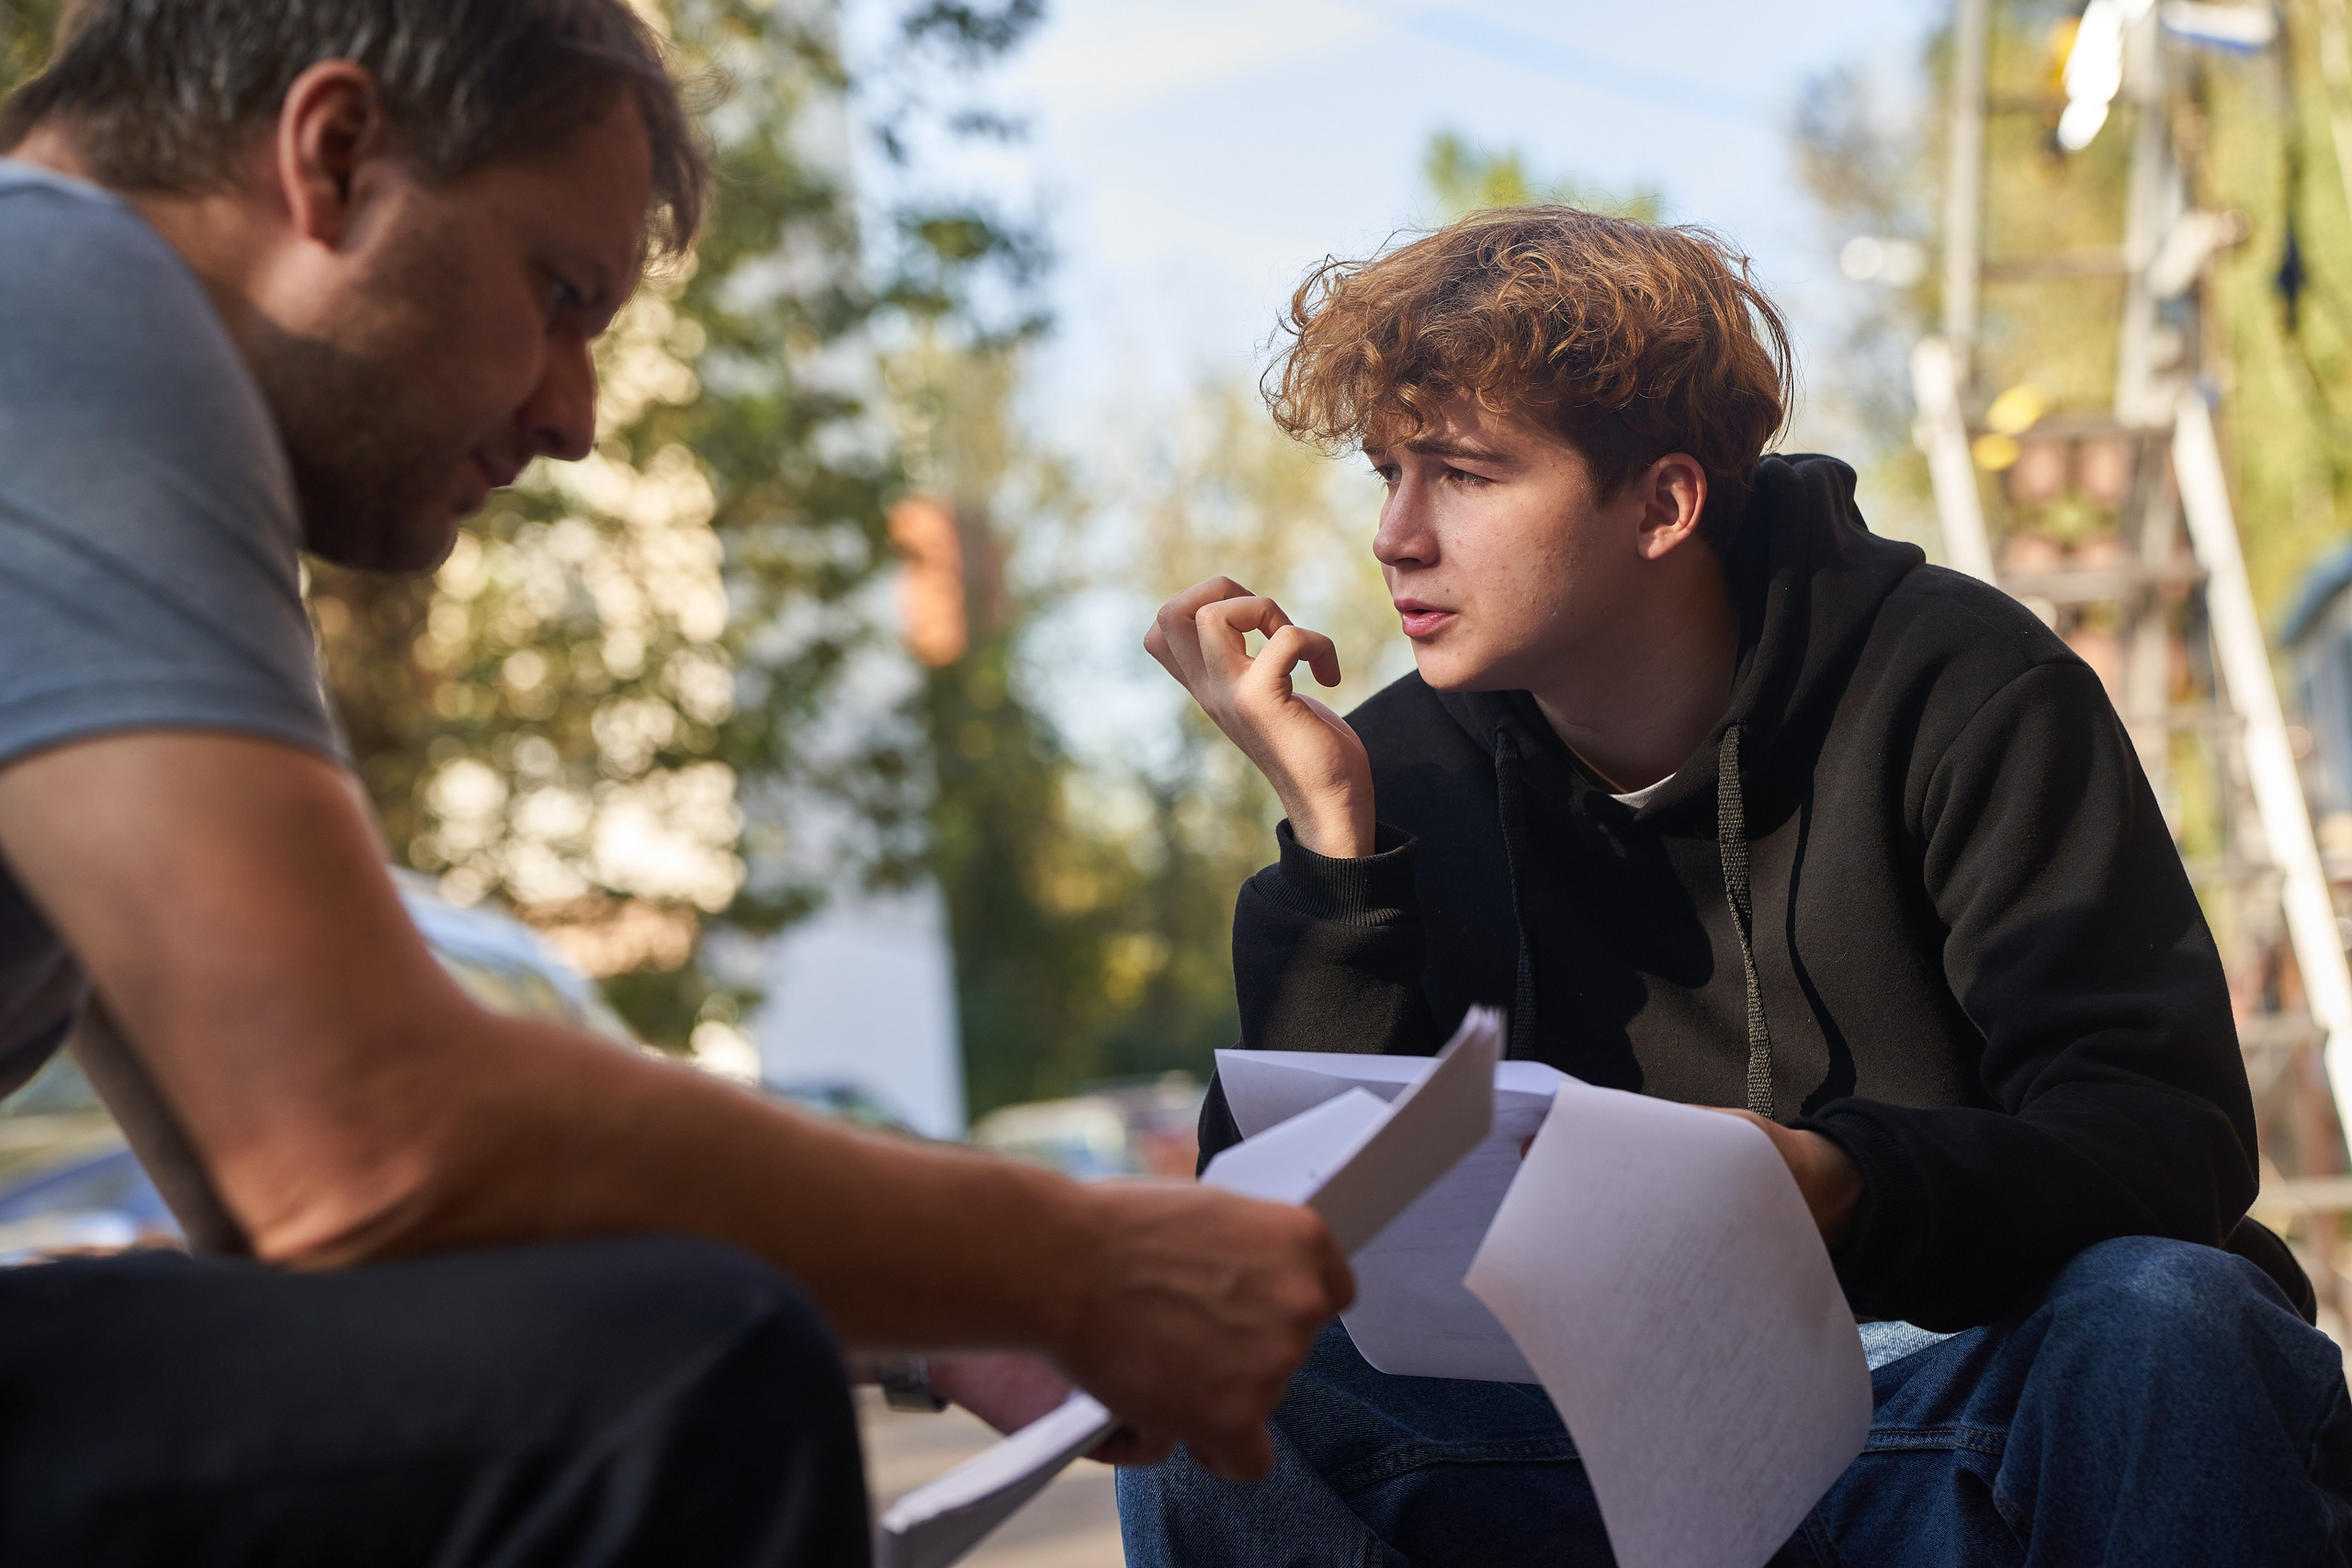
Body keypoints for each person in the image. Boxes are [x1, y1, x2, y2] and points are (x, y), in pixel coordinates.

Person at [0, 4, 1351, 1562]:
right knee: (678, 1371)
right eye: (559, 295)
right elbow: (359, 1137)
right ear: (334, 153)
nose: (573, 417)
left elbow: (265, 1180)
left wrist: (943, 1319)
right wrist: (1077, 1261)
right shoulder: (67, 295)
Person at [1125, 206, 2352, 1566]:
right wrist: (1336, 846)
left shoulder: (1962, 688)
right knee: (1202, 1384)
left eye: (1463, 477)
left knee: (2169, 1316)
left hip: (1943, 1385)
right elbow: (1281, 1254)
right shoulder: (1399, 765)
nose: (1396, 538)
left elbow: (2162, 1138)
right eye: (1388, 475)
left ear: (1663, 502)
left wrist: (1834, 1182)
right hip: (1574, 1431)